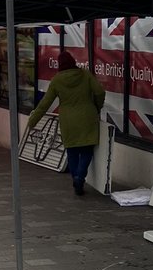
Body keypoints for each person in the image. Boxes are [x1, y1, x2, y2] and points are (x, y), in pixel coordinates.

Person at [27, 52, 105, 196]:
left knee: (72, 151)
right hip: (88, 117)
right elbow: (99, 92)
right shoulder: (85, 74)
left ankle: (76, 177)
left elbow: (45, 103)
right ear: (73, 61)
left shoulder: (57, 80)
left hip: (68, 121)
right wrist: (96, 107)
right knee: (87, 150)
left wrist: (32, 121)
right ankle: (80, 176)